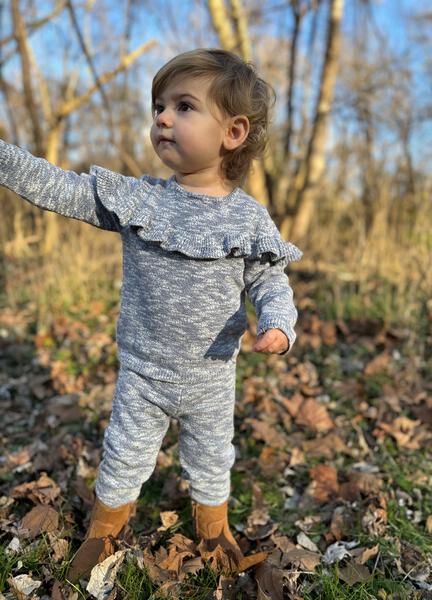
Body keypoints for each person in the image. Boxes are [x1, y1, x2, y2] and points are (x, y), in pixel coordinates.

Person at [0, 48, 303, 581]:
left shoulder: (248, 219)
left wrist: (278, 322)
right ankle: (104, 530)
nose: (162, 117)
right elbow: (60, 188)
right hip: (144, 372)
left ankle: (213, 529)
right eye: (158, 106)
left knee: (212, 460)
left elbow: (269, 279)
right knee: (124, 455)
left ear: (232, 133)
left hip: (211, 376)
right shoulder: (139, 201)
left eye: (183, 107)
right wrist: (6, 159)